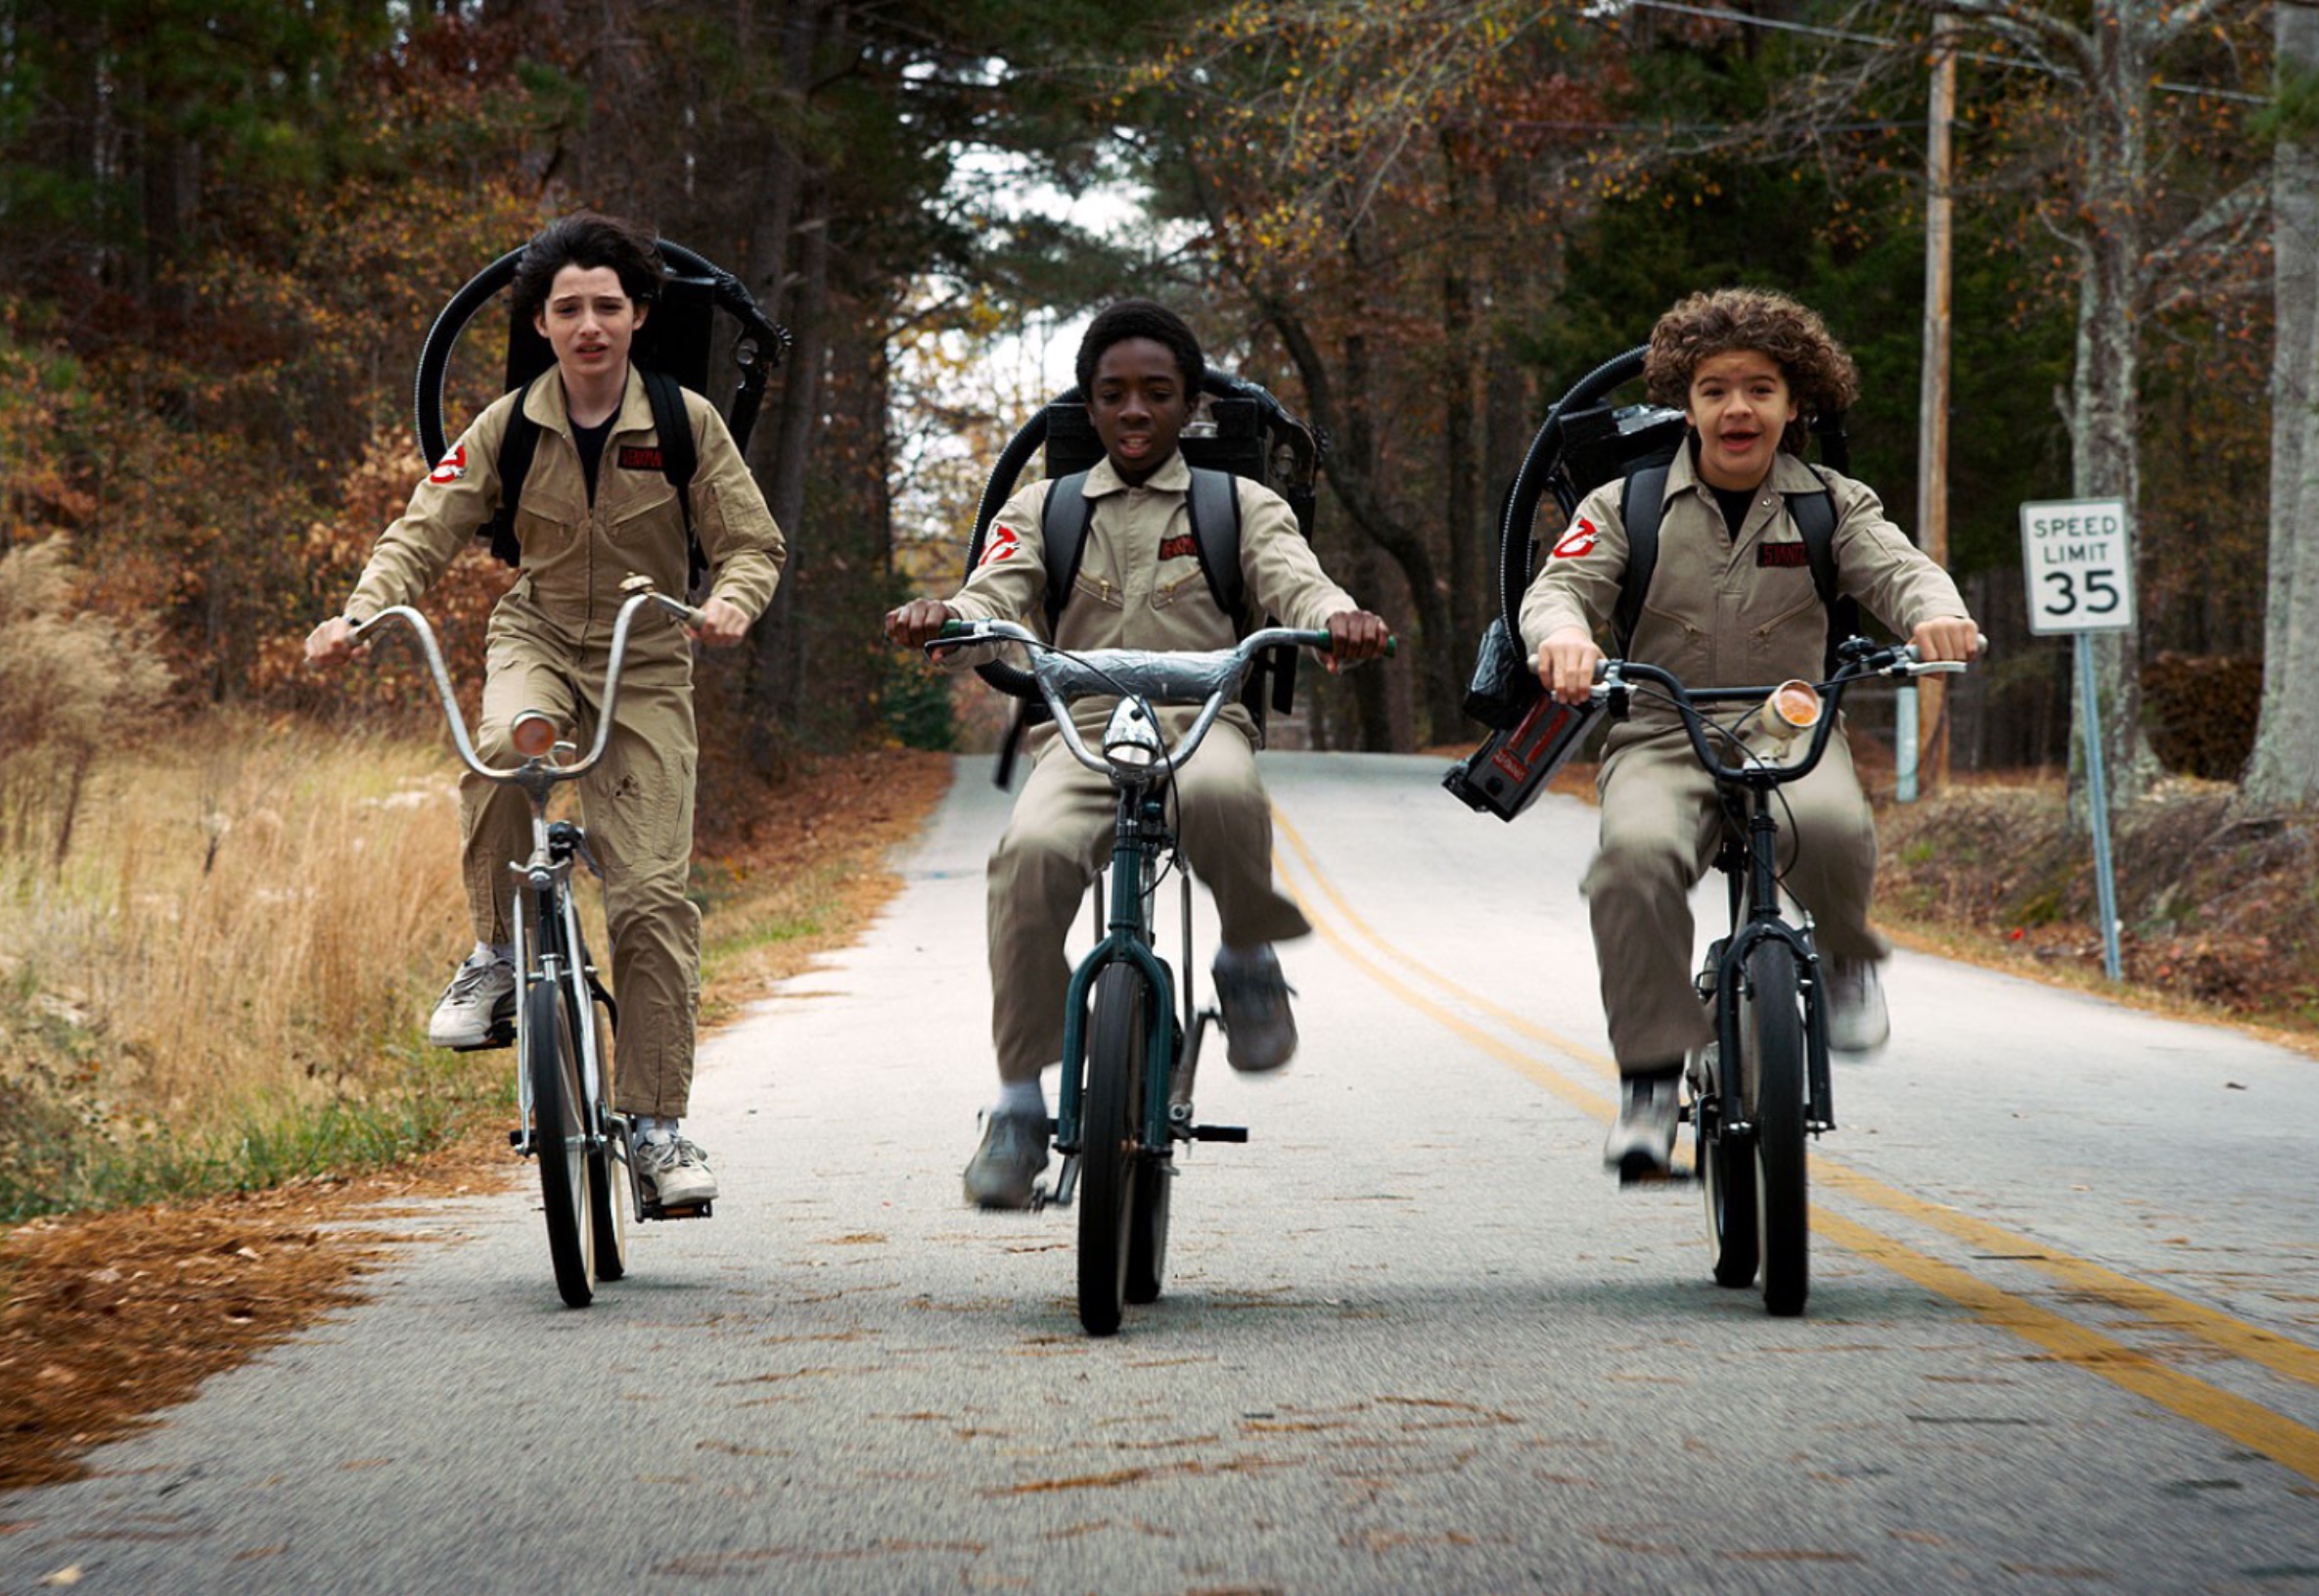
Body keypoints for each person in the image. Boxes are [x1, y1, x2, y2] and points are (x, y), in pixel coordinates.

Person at [305, 211, 786, 1210]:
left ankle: (657, 1132)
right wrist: (358, 611)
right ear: (541, 322)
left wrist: (732, 600)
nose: (590, 324)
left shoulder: (687, 421)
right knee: (504, 752)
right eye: (568, 307)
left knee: (651, 900)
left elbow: (751, 543)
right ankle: (490, 955)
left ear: (640, 314)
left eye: (608, 305)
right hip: (536, 638)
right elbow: (421, 531)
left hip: (646, 655)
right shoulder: (506, 425)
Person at [885, 299, 1391, 1210]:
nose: (1133, 411)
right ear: (1088, 404)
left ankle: (1245, 957)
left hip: (1202, 721)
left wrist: (1336, 619)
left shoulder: (1239, 503)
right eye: (1112, 394)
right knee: (1028, 855)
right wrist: (946, 619)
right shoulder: (1046, 506)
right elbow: (992, 591)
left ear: (1189, 403)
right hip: (1080, 731)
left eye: (1156, 393)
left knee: (1228, 797)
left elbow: (1297, 582)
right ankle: (1015, 1103)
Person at [1522, 287, 1980, 1180]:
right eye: (1716, 389)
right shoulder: (1627, 503)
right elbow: (1559, 589)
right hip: (1661, 727)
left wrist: (1939, 617)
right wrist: (1566, 638)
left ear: (1794, 401)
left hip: (1786, 725)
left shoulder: (1831, 505)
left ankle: (1845, 958)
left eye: (1761, 388)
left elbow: (1903, 572)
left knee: (1837, 827)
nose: (1738, 408)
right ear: (1685, 404)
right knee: (1633, 860)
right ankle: (1651, 1080)